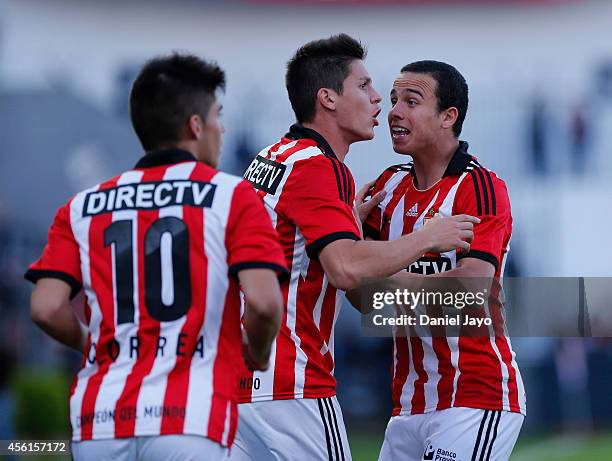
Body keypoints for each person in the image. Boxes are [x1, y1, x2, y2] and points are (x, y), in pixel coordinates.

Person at [25, 54, 287, 461]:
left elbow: (44, 308)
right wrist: (258, 351)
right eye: (217, 115)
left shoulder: (81, 206)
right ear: (195, 126)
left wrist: (91, 343)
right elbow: (266, 303)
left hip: (101, 421)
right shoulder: (231, 195)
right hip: (190, 418)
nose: (222, 127)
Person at [232, 35, 479, 461]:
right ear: (327, 98)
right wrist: (427, 237)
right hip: (290, 383)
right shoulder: (321, 167)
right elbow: (345, 270)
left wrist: (346, 219)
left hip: (231, 384)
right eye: (364, 86)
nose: (379, 99)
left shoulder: (274, 155)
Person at [362, 61, 526, 461]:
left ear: (448, 116)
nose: (394, 111)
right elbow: (363, 301)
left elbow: (468, 291)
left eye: (412, 101)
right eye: (395, 99)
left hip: (475, 393)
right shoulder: (386, 188)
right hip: (408, 403)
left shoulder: (480, 187)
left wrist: (379, 275)